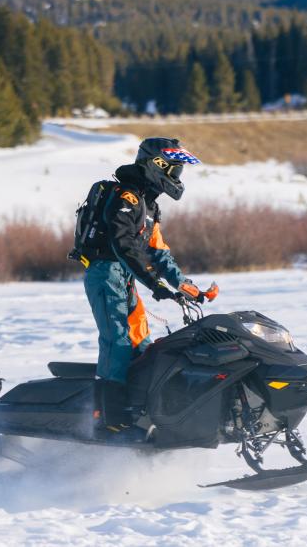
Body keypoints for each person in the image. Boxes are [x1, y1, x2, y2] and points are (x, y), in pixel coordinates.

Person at [73, 137, 218, 434]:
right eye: (174, 170)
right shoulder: (126, 197)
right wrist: (154, 282)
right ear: (157, 165)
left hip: (125, 277)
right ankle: (107, 419)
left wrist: (185, 285)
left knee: (143, 343)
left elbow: (159, 252)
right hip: (105, 272)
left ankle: (141, 411)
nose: (177, 177)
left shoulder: (149, 206)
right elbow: (123, 244)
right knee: (117, 340)